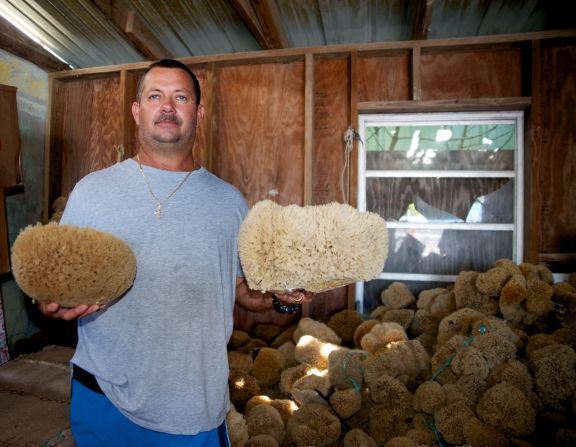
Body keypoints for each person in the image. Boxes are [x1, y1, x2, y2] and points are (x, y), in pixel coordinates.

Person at [38, 59, 313, 446]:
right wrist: (49, 301)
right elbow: (59, 284)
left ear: (197, 112)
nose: (167, 106)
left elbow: (241, 290)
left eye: (180, 97)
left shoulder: (229, 203)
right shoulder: (92, 192)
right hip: (103, 396)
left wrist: (283, 299)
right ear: (137, 111)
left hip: (191, 406)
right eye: (155, 96)